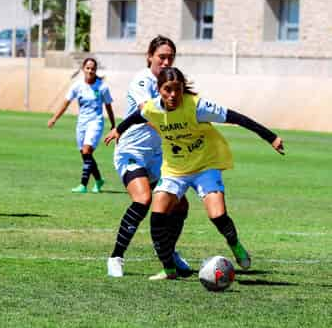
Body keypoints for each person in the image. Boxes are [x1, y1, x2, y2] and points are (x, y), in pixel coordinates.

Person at [105, 67, 284, 280]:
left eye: (177, 90)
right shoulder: (152, 108)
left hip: (205, 165)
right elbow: (137, 116)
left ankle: (235, 244)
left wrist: (270, 137)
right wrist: (119, 129)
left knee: (217, 215)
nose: (173, 95)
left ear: (183, 89)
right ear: (159, 90)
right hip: (175, 169)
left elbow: (237, 117)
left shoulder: (197, 106)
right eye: (167, 90)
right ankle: (169, 269)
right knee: (157, 216)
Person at [106, 36, 193, 278]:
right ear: (149, 56)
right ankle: (116, 257)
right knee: (143, 199)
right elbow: (153, 115)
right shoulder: (142, 81)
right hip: (130, 152)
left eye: (170, 57)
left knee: (180, 204)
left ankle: (168, 252)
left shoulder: (173, 84)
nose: (166, 61)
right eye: (161, 57)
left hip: (156, 156)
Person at [48, 57, 115, 193]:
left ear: (96, 70)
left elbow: (108, 106)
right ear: (83, 69)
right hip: (82, 123)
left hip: (96, 122)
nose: (90, 71)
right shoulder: (77, 86)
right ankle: (99, 180)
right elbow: (65, 103)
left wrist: (113, 125)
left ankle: (83, 185)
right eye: (88, 68)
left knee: (86, 150)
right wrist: (54, 118)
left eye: (93, 68)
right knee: (85, 155)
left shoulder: (102, 87)